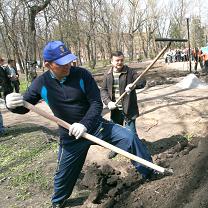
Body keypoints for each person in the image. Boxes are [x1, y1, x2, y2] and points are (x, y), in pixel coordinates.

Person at [5, 41, 154, 208]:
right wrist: (12, 105)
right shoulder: (41, 83)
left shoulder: (82, 75)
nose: (68, 65)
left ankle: (150, 173)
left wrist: (84, 124)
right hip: (70, 136)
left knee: (129, 138)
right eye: (62, 63)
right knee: (63, 176)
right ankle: (57, 202)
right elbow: (25, 106)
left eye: (69, 60)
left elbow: (96, 103)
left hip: (96, 126)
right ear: (48, 64)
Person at [102, 51, 146, 159]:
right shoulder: (107, 74)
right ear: (112, 61)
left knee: (132, 133)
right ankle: (115, 149)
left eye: (121, 60)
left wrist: (133, 85)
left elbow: (142, 81)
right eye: (117, 60)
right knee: (115, 132)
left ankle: (138, 153)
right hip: (115, 109)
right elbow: (103, 90)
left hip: (128, 108)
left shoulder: (130, 72)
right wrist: (108, 102)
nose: (120, 62)